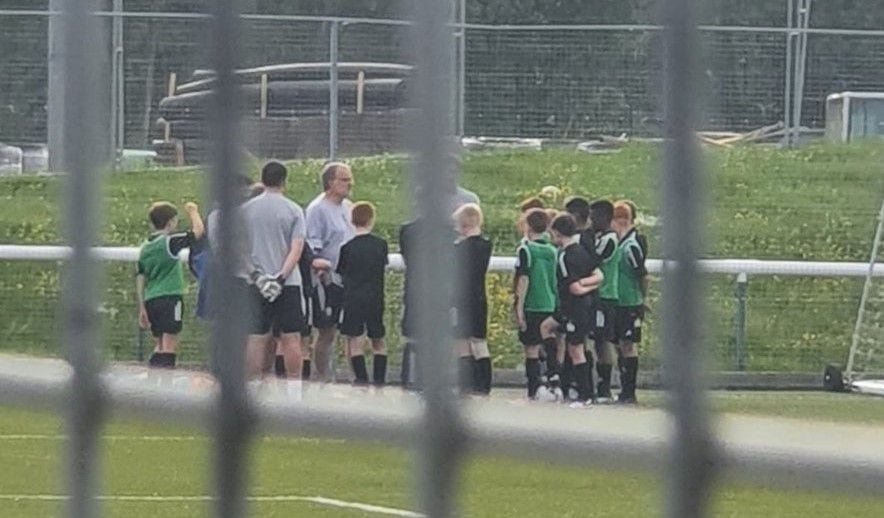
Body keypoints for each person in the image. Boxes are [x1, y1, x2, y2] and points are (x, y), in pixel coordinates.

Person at [241, 161, 308, 382]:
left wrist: (257, 276)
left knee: (256, 337)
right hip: (287, 283)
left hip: (256, 283)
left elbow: (240, 249)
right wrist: (280, 277)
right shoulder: (293, 209)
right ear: (283, 181)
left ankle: (251, 386)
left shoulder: (245, 210)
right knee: (291, 337)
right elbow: (296, 249)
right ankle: (294, 389)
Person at [136, 201, 205, 369]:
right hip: (170, 297)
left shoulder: (145, 247)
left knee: (159, 344)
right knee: (169, 345)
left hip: (151, 299)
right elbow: (198, 232)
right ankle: (166, 384)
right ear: (170, 222)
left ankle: (153, 380)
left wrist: (142, 306)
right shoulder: (169, 242)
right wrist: (193, 211)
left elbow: (140, 278)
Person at [547, 214, 604, 407]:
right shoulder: (583, 251)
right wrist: (590, 285)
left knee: (576, 349)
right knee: (546, 327)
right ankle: (555, 374)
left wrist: (582, 286)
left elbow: (575, 288)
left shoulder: (565, 257)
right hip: (583, 305)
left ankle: (585, 394)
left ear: (557, 233)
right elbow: (598, 276)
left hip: (575, 307)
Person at [306, 162, 355, 382]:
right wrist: (321, 267)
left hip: (350, 278)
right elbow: (312, 245)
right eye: (344, 179)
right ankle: (322, 376)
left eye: (350, 179)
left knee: (352, 330)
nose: (349, 183)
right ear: (330, 182)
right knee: (327, 330)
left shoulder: (349, 208)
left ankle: (353, 375)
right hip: (327, 279)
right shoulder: (318, 209)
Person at [335, 202, 389, 385]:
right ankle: (380, 380)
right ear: (371, 220)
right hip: (375, 297)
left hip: (353, 298)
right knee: (378, 339)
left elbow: (341, 272)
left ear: (352, 220)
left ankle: (361, 378)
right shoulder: (380, 245)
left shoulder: (347, 248)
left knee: (355, 340)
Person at [514, 208, 558, 399]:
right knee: (549, 344)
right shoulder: (553, 250)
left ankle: (534, 387)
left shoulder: (526, 249)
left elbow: (524, 279)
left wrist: (519, 306)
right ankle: (553, 383)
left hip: (533, 303)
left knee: (531, 347)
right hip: (550, 303)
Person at [453, 203, 493, 394]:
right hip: (479, 297)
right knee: (479, 342)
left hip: (462, 298)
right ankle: (483, 384)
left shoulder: (460, 249)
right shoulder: (485, 246)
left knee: (461, 342)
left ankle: (466, 384)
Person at [612, 201, 647, 404]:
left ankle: (629, 391)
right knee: (619, 345)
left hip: (630, 302)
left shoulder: (631, 246)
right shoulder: (620, 243)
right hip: (619, 301)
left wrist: (641, 298)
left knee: (628, 345)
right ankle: (623, 388)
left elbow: (641, 274)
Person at [589, 199, 620, 402]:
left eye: (595, 217)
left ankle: (605, 387)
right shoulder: (601, 236)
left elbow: (594, 259)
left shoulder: (609, 239)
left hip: (606, 295)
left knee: (603, 340)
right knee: (598, 340)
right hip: (598, 295)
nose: (592, 221)